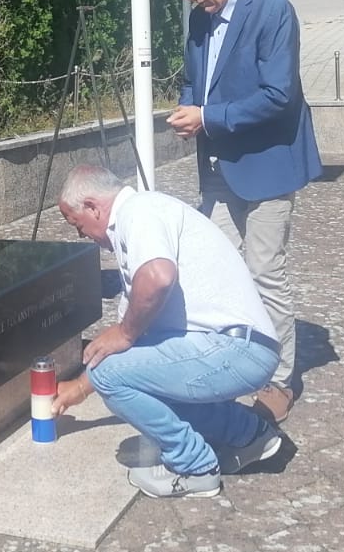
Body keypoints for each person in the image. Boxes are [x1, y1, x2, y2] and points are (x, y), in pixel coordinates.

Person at [49, 164, 285, 500]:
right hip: (246, 346)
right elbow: (129, 351)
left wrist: (124, 333)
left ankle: (194, 468)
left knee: (110, 375)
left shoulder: (139, 212)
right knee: (129, 375)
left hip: (234, 349)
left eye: (77, 225)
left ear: (92, 207)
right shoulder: (144, 219)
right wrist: (80, 388)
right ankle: (250, 435)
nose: (81, 236)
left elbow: (158, 278)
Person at [165, 0, 322, 423]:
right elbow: (194, 79)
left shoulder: (272, 11)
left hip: (268, 164)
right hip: (218, 166)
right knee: (210, 266)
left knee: (263, 271)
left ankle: (280, 381)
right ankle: (222, 361)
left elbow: (279, 95)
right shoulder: (200, 18)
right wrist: (188, 109)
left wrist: (208, 118)